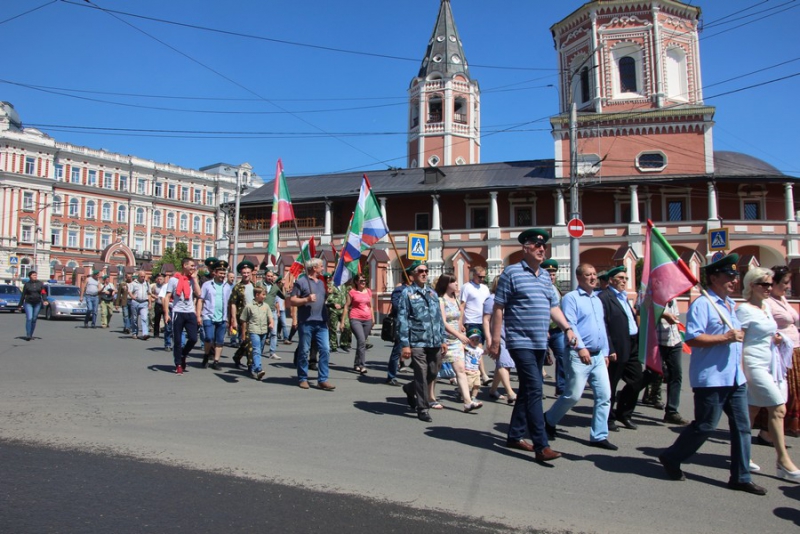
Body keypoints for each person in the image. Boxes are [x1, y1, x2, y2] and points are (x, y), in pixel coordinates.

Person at [658, 254, 767, 495]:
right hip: (712, 378)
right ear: (714, 277)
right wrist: (725, 338)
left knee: (742, 427)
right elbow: (693, 338)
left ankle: (740, 477)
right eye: (729, 275)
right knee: (705, 426)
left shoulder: (729, 305)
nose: (734, 280)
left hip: (735, 378)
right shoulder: (703, 304)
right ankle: (672, 456)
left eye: (735, 276)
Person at [489, 228, 575, 462]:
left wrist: (567, 329)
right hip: (519, 341)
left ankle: (515, 435)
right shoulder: (511, 273)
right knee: (536, 388)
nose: (541, 249)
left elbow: (553, 308)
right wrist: (496, 340)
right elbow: (499, 307)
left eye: (543, 246)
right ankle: (541, 445)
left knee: (528, 389)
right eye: (537, 246)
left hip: (539, 341)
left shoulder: (546, 277)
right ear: (525, 248)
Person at [545, 263, 617, 451]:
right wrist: (581, 348)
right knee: (573, 395)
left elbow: (602, 327)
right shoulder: (571, 298)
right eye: (588, 275)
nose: (593, 277)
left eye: (594, 274)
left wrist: (606, 351)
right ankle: (548, 419)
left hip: (598, 356)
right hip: (579, 355)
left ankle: (599, 436)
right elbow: (570, 325)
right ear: (579, 277)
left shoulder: (597, 299)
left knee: (604, 396)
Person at [737, 267, 799, 482]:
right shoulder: (744, 310)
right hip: (752, 364)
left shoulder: (765, 306)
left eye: (770, 284)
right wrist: (739, 371)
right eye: (764, 284)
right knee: (778, 408)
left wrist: (778, 339)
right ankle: (783, 461)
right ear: (751, 285)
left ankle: (744, 455)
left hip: (770, 363)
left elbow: (767, 333)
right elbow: (740, 340)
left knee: (752, 410)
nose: (769, 288)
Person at [397, 261, 447, 422]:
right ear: (413, 274)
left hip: (434, 342)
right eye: (421, 271)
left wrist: (443, 339)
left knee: (433, 373)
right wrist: (405, 344)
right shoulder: (407, 293)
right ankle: (423, 408)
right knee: (421, 374)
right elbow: (402, 319)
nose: (424, 273)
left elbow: (438, 318)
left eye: (426, 271)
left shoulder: (432, 293)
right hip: (417, 342)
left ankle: (409, 388)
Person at [599, 266, 642, 431]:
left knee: (637, 380)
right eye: (621, 278)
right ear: (611, 280)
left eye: (626, 278)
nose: (624, 281)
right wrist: (609, 348)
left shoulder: (624, 297)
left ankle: (624, 413)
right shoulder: (604, 297)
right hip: (616, 346)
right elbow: (603, 326)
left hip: (632, 344)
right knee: (611, 384)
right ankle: (608, 418)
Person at [289, 258, 335, 391]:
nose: (323, 268)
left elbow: (322, 299)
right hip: (306, 322)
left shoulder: (321, 283)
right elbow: (292, 300)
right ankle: (303, 378)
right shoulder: (301, 282)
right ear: (314, 268)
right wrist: (306, 299)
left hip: (321, 322)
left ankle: (323, 379)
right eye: (321, 266)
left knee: (325, 349)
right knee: (304, 351)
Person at [436, 273, 480, 411]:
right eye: (453, 281)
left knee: (460, 370)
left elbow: (458, 315)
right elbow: (443, 322)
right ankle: (417, 390)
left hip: (456, 340)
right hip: (443, 340)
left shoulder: (455, 298)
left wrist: (461, 328)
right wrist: (458, 335)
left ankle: (468, 402)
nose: (456, 283)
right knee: (432, 371)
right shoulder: (441, 300)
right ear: (446, 284)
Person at [766, 265, 800, 438]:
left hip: (795, 350)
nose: (788, 286)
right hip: (782, 354)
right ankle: (769, 430)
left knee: (795, 391)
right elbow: (766, 328)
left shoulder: (783, 299)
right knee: (786, 393)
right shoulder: (767, 303)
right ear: (774, 282)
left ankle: (785, 427)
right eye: (785, 282)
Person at [164, 257, 201, 375]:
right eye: (191, 265)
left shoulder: (192, 279)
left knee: (194, 338)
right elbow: (166, 297)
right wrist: (166, 314)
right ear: (185, 265)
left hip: (190, 312)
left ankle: (184, 354)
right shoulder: (173, 280)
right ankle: (178, 364)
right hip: (178, 312)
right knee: (178, 340)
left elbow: (199, 294)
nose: (193, 268)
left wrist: (195, 279)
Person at [483, 276, 516, 404]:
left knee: (502, 363)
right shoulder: (491, 300)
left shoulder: (508, 299)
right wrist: (489, 339)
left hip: (509, 334)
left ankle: (493, 390)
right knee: (504, 363)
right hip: (498, 335)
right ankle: (510, 392)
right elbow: (486, 320)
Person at [657, 299, 689, 425]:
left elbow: (675, 317)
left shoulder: (673, 297)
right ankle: (627, 395)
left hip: (674, 340)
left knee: (676, 375)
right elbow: (644, 311)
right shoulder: (652, 292)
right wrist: (663, 314)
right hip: (657, 340)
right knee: (652, 375)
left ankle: (671, 411)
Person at [459, 266, 491, 384]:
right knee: (478, 348)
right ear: (473, 275)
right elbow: (462, 306)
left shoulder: (485, 288)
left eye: (483, 277)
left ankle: (475, 373)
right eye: (479, 277)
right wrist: (460, 322)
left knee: (477, 349)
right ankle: (483, 374)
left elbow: (488, 304)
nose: (482, 279)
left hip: (484, 321)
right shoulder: (467, 287)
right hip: (471, 321)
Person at [198, 260, 232, 371]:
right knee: (209, 338)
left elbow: (230, 304)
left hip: (222, 317)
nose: (222, 276)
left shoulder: (227, 286)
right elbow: (200, 300)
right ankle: (206, 355)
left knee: (220, 341)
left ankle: (216, 361)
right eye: (220, 273)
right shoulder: (207, 285)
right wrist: (198, 315)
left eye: (224, 273)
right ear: (215, 273)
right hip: (208, 315)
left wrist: (230, 319)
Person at [229, 261, 261, 370]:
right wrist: (233, 319)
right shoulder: (237, 287)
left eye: (248, 272)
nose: (246, 275)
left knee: (248, 341)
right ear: (241, 274)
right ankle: (251, 365)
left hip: (255, 318)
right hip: (243, 318)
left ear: (252, 273)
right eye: (244, 273)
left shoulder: (255, 286)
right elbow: (233, 304)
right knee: (248, 341)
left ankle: (237, 356)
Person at [543, 259, 567, 397]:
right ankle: (537, 389)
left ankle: (561, 387)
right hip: (543, 330)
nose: (551, 277)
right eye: (549, 274)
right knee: (539, 359)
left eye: (553, 274)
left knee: (562, 356)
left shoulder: (556, 289)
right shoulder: (540, 288)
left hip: (556, 330)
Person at [239, 286, 274, 381]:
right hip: (254, 331)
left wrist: (271, 323)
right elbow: (243, 320)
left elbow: (270, 316)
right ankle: (259, 369)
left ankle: (252, 368)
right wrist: (243, 334)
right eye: (263, 294)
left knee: (259, 351)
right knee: (256, 350)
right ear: (257, 295)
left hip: (264, 331)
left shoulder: (266, 306)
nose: (264, 296)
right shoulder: (249, 306)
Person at [343, 275, 374, 374]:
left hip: (367, 320)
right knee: (361, 341)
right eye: (361, 281)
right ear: (356, 282)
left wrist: (373, 319)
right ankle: (362, 365)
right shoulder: (352, 292)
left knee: (362, 343)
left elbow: (371, 306)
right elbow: (346, 307)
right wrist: (343, 321)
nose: (363, 282)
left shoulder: (368, 291)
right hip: (355, 319)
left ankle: (356, 364)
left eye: (365, 280)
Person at [385, 279, 410, 386]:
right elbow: (396, 306)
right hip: (402, 324)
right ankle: (391, 376)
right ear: (410, 276)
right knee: (398, 350)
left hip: (416, 325)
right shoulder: (399, 290)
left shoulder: (420, 290)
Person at [261, 269, 283, 360]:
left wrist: (283, 287)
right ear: (265, 276)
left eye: (271, 276)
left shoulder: (275, 287)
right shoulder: (259, 285)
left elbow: (283, 297)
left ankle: (272, 352)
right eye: (268, 276)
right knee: (262, 333)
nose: (270, 278)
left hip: (272, 312)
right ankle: (259, 351)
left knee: (273, 333)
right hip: (262, 311)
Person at [326, 277, 352, 353]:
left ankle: (343, 343)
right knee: (333, 327)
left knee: (347, 326)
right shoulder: (331, 285)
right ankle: (333, 345)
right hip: (333, 309)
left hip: (343, 309)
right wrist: (333, 303)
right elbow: (328, 297)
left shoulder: (344, 286)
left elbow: (348, 294)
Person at [463, 328, 485, 411]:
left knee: (477, 385)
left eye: (477, 340)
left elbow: (483, 353)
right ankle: (460, 392)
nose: (475, 342)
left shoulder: (479, 350)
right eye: (473, 340)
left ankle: (473, 397)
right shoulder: (467, 348)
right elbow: (462, 349)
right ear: (469, 340)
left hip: (476, 370)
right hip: (468, 370)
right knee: (468, 385)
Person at [19, 270, 44, 341]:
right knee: (29, 318)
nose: (35, 276)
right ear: (30, 276)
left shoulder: (40, 283)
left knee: (34, 319)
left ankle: (31, 334)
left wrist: (45, 300)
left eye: (36, 275)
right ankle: (28, 334)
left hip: (37, 303)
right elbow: (23, 295)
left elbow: (43, 292)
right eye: (33, 275)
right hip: (28, 303)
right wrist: (20, 305)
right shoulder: (27, 284)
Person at [128, 271, 151, 340]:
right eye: (142, 277)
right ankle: (134, 332)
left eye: (144, 276)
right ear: (138, 276)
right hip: (135, 302)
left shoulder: (146, 283)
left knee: (144, 318)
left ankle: (145, 334)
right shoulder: (134, 283)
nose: (143, 278)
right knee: (134, 318)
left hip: (144, 302)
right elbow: (129, 291)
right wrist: (132, 296)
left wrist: (149, 303)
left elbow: (149, 294)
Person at [150, 273, 166, 339]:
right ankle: (156, 334)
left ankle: (167, 333)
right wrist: (154, 296)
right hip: (158, 304)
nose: (159, 280)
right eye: (158, 279)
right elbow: (150, 293)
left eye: (161, 279)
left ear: (164, 280)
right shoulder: (155, 286)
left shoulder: (166, 286)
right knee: (157, 319)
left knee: (166, 320)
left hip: (165, 304)